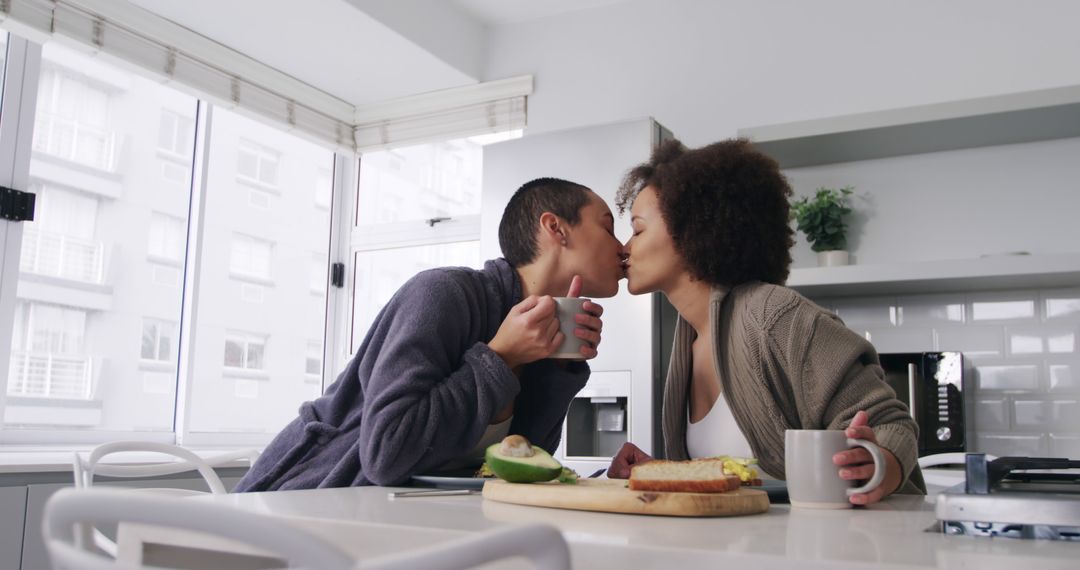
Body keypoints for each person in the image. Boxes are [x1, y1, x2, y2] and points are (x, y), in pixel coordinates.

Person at [235, 177, 625, 491]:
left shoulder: (542, 337)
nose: (622, 247)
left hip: (407, 520)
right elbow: (386, 454)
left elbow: (513, 464)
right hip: (302, 505)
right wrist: (501, 359)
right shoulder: (442, 294)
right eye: (607, 226)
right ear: (555, 227)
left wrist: (559, 370)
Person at [606, 139, 925, 504]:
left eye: (638, 229)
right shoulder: (689, 341)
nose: (625, 247)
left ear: (693, 230)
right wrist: (666, 473)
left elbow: (890, 424)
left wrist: (877, 461)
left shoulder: (773, 314)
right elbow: (747, 475)